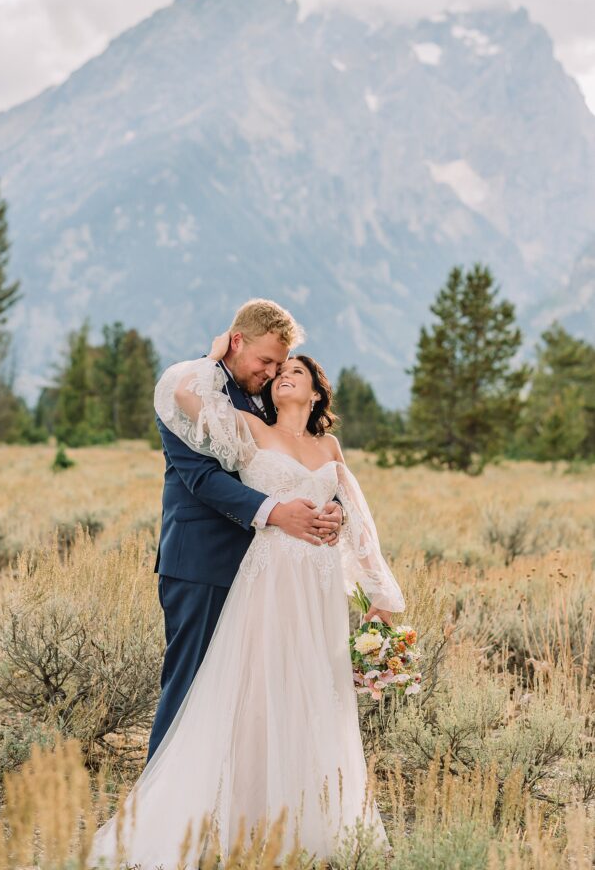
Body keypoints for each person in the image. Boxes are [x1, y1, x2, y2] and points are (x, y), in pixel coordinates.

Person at [88, 337, 406, 869]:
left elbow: (356, 516)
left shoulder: (330, 450)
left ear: (316, 390)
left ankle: (309, 817)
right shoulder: (250, 429)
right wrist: (215, 358)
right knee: (253, 687)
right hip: (271, 575)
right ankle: (225, 817)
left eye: (295, 371)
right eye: (278, 369)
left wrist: (377, 589)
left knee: (312, 688)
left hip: (320, 586)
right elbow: (185, 397)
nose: (283, 375)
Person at [146, 299, 344, 760]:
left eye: (281, 364)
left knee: (250, 697)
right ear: (237, 341)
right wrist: (278, 513)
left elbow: (297, 468)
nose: (274, 373)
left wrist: (333, 511)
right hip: (203, 563)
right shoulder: (186, 385)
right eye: (266, 361)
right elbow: (203, 480)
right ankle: (160, 809)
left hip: (269, 575)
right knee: (190, 687)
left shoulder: (266, 401)